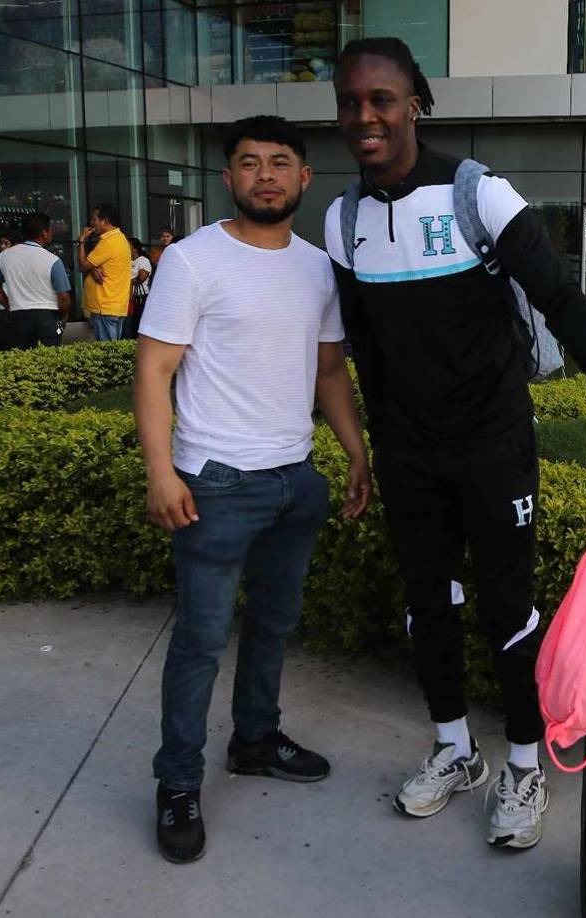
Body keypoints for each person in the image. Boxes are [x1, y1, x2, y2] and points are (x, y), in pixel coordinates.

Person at [326, 37, 586, 851]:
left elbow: (560, 296)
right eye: (350, 102)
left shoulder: (478, 194)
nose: (365, 116)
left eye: (381, 99)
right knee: (427, 608)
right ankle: (453, 750)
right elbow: (360, 346)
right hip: (410, 453)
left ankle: (520, 764)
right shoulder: (342, 222)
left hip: (492, 443)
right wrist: (370, 447)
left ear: (415, 104)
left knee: (509, 608)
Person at [136, 115, 371, 865]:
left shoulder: (314, 267)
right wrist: (160, 471)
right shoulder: (193, 261)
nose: (263, 174)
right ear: (229, 178)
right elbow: (153, 372)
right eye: (247, 162)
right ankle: (177, 782)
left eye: (279, 163)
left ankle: (255, 739)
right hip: (214, 483)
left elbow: (329, 370)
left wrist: (355, 453)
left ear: (304, 179)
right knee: (201, 642)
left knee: (273, 625)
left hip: (295, 481)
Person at [0, 212, 72, 349]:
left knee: (21, 359)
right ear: (44, 233)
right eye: (50, 230)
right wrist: (63, 317)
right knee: (51, 356)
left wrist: (8, 305)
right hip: (49, 317)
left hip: (18, 317)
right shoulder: (52, 260)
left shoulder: (5, 256)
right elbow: (64, 297)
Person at [78, 203, 131, 340]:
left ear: (105, 220)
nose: (91, 223)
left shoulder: (108, 241)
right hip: (114, 305)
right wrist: (93, 269)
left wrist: (82, 241)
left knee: (107, 354)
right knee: (112, 352)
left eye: (94, 219)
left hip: (105, 306)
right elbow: (102, 266)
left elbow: (83, 266)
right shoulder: (120, 238)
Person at [127, 237, 153, 340]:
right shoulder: (125, 260)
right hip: (128, 297)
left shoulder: (143, 260)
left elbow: (142, 277)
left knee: (136, 323)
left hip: (140, 297)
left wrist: (126, 282)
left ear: (135, 249)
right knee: (129, 325)